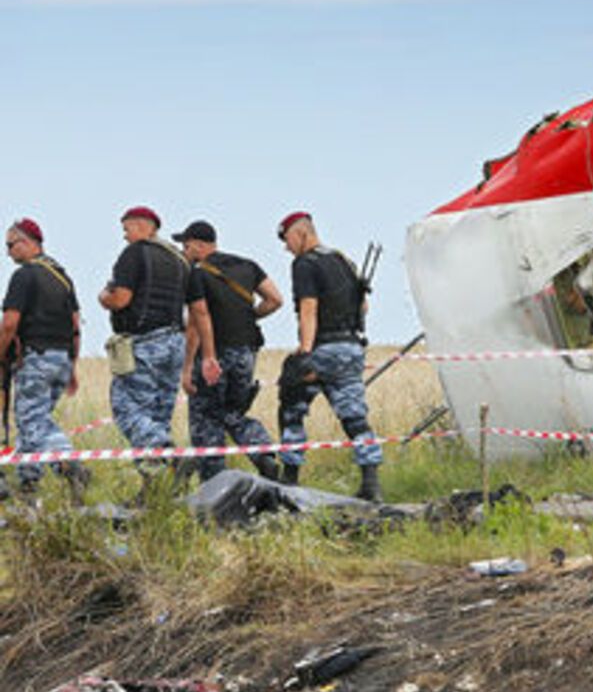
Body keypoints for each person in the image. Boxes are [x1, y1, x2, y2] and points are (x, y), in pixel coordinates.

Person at [276, 211, 382, 501]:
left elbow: (308, 308)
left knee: (291, 407)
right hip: (351, 348)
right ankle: (371, 484)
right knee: (355, 417)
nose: (286, 248)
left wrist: (305, 352)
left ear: (301, 234)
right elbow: (364, 307)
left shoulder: (304, 264)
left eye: (287, 240)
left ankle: (289, 479)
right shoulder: (343, 260)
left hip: (323, 348)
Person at [176, 219, 284, 483]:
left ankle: (214, 484)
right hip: (247, 352)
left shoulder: (196, 274)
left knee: (205, 418)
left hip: (214, 355)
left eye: (186, 247)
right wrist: (249, 317)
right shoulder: (248, 266)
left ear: (199, 245)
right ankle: (263, 454)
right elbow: (274, 299)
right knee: (232, 413)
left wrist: (191, 366)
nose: (184, 252)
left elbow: (197, 320)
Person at [0, 218, 89, 499]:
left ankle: (70, 464)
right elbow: (75, 325)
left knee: (33, 421)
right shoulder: (61, 277)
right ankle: (28, 485)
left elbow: (9, 323)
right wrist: (72, 367)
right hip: (61, 359)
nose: (7, 252)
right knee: (32, 422)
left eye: (10, 245)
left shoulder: (25, 275)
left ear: (28, 242)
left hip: (35, 359)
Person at [97, 206, 188, 476]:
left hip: (145, 343)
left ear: (140, 225)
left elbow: (120, 299)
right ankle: (157, 484)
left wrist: (104, 297)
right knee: (159, 414)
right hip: (176, 341)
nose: (125, 236)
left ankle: (167, 451)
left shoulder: (135, 253)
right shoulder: (179, 260)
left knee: (127, 408)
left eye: (126, 229)